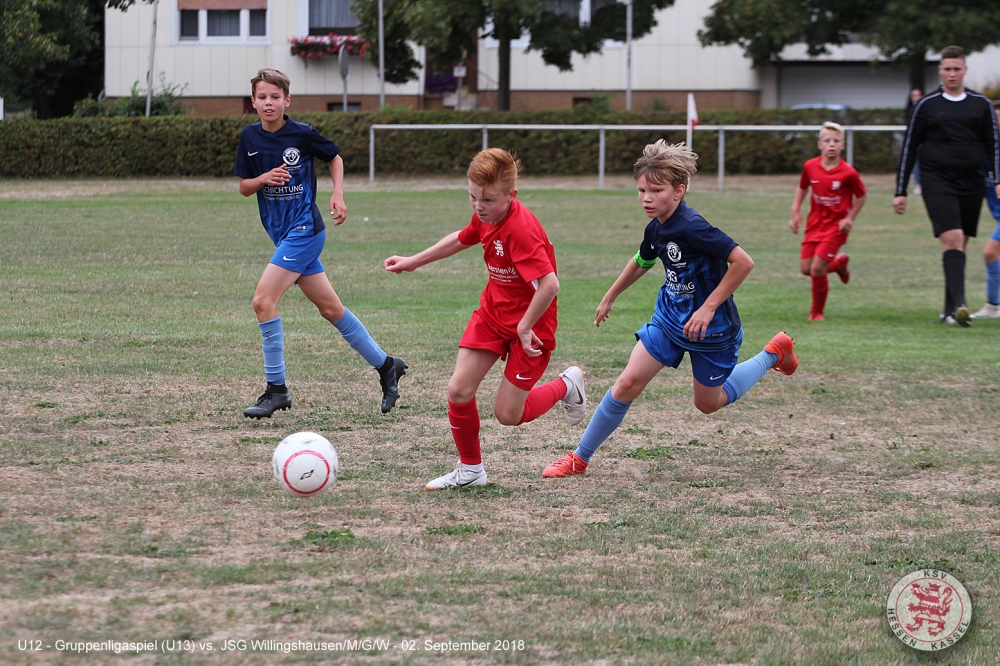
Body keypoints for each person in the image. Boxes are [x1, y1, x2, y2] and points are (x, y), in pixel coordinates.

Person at [542, 140, 798, 479]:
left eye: (656, 191)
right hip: (669, 319)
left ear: (679, 191)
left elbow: (743, 262)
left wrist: (708, 308)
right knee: (627, 382)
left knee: (707, 404)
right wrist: (610, 295)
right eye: (641, 190)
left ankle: (772, 354)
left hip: (711, 328)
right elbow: (643, 260)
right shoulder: (656, 227)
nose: (646, 198)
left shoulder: (693, 227)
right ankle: (579, 458)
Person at [384, 148, 587, 490]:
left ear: (511, 196)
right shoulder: (487, 215)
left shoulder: (520, 230)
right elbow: (463, 237)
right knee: (459, 390)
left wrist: (525, 326)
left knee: (508, 414)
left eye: (488, 200)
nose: (479, 206)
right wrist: (413, 261)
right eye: (473, 197)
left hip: (532, 328)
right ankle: (471, 470)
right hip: (492, 314)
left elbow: (550, 284)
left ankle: (567, 385)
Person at [234, 68, 406, 419]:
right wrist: (263, 178)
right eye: (262, 97)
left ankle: (277, 390)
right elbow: (243, 187)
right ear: (253, 102)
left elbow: (334, 157)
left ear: (287, 100)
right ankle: (387, 365)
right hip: (282, 234)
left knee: (263, 302)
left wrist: (337, 193)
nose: (269, 102)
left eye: (275, 97)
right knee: (331, 309)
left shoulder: (301, 133)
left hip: (306, 230)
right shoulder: (249, 137)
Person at [894, 46, 1000, 327]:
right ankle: (961, 306)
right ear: (940, 71)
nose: (952, 74)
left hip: (972, 182)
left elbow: (993, 145)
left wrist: (998, 179)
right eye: (947, 69)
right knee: (952, 238)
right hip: (937, 180)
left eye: (957, 69)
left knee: (959, 244)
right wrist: (900, 190)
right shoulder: (926, 105)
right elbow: (910, 147)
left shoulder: (981, 104)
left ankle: (948, 310)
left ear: (965, 71)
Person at [788, 121, 867, 321]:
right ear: (820, 144)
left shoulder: (848, 172)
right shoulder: (810, 166)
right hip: (814, 225)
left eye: (836, 141)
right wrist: (795, 211)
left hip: (836, 227)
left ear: (842, 145)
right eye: (827, 140)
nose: (832, 144)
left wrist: (849, 218)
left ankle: (816, 313)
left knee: (816, 268)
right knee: (806, 269)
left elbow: (862, 195)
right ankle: (839, 264)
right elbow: (802, 187)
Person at [971, 99, 1000, 319]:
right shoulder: (981, 154)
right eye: (994, 121)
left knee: (990, 252)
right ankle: (993, 306)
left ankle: (993, 306)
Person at [905, 89, 923, 195]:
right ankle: (918, 184)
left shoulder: (925, 108)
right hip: (914, 140)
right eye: (914, 95)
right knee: (915, 162)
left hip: (924, 140)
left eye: (918, 95)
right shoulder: (910, 110)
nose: (916, 97)